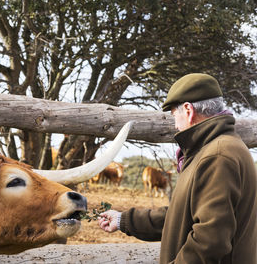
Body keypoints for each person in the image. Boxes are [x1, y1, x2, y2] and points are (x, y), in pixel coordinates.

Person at [98, 73, 257, 264]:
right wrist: (123, 220)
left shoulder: (217, 156)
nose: (175, 125)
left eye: (174, 115)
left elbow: (210, 240)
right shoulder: (220, 148)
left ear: (188, 110)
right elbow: (181, 216)